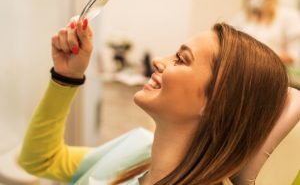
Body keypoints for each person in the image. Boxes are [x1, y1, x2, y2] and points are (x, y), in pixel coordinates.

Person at [18, 18, 290, 185]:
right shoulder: (137, 148)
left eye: (181, 59)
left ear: (218, 102)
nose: (159, 61)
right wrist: (67, 77)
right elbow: (40, 161)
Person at [231, 0, 300, 67]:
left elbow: (293, 55)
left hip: (274, 78)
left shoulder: (289, 16)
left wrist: (255, 59)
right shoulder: (240, 17)